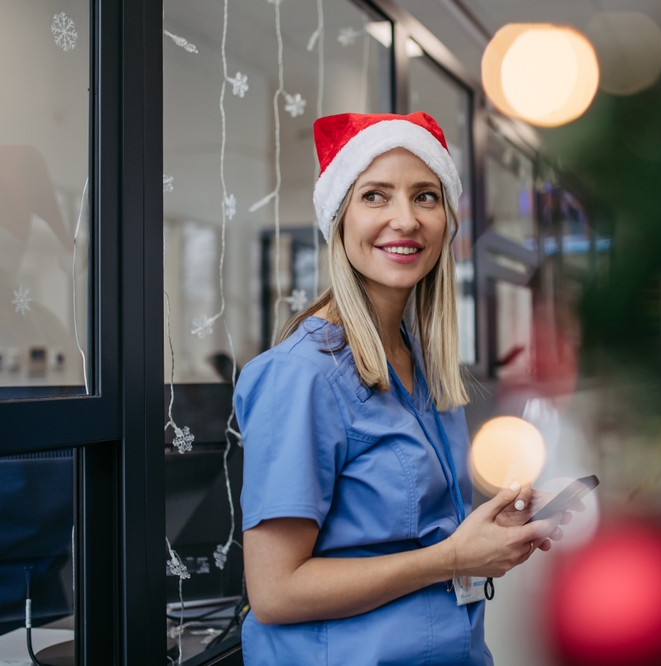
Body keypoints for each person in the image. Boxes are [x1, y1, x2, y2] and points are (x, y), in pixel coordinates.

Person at [235, 112, 573, 665]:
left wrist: (494, 526)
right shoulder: (302, 375)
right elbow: (274, 593)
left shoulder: (420, 364)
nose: (405, 219)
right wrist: (452, 557)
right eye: (374, 196)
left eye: (424, 197)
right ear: (339, 218)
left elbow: (409, 527)